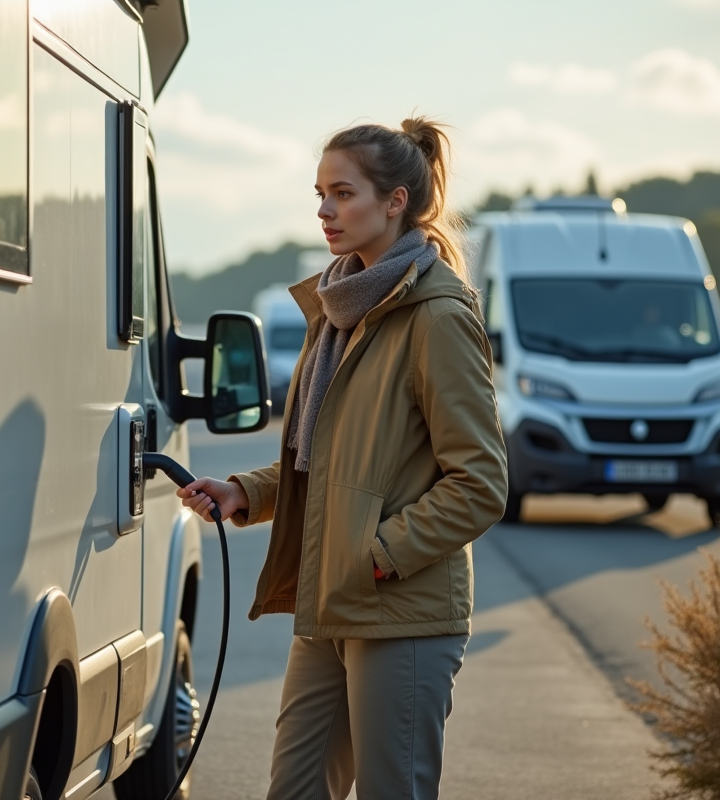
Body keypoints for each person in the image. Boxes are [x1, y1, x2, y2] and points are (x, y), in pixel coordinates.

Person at [178, 117, 508, 799]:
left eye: (342, 193)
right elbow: (328, 459)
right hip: (329, 601)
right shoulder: (338, 307)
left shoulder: (438, 316)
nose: (325, 211)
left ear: (395, 203)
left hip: (400, 609)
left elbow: (480, 484)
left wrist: (376, 554)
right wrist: (249, 491)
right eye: (320, 194)